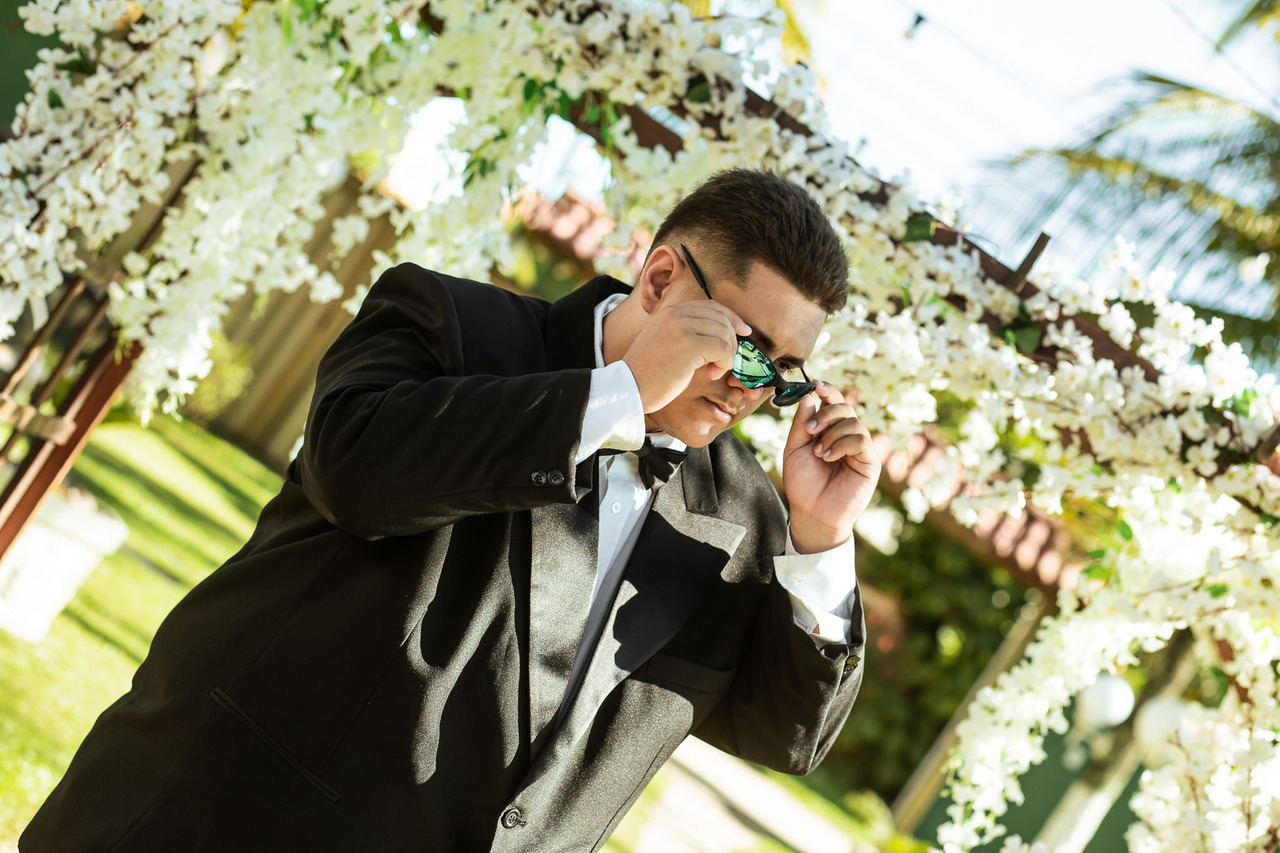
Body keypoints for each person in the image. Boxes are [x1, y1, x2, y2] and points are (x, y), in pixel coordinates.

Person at [22, 169, 880, 852]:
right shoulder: (448, 323)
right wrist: (617, 397)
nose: (749, 390)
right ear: (660, 278)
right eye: (745, 348)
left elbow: (784, 736)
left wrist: (823, 537)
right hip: (218, 820)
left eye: (782, 374)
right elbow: (353, 470)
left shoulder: (745, 519)